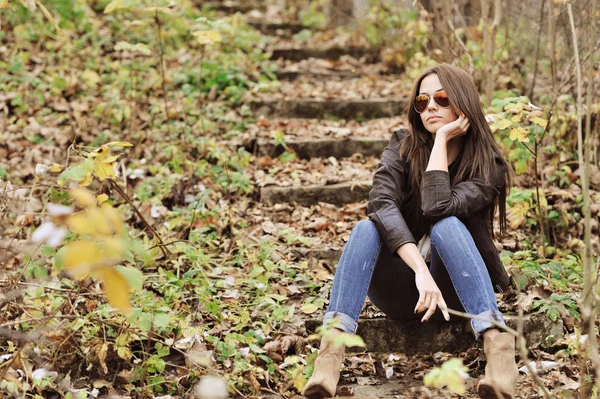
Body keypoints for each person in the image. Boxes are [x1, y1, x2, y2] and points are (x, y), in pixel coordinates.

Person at [302, 63, 519, 399]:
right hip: (405, 292)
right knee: (365, 228)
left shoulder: (488, 165)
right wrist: (419, 269)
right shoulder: (402, 146)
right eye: (422, 101)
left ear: (464, 104)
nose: (430, 106)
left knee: (447, 225)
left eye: (442, 98)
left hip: (455, 294)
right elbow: (380, 204)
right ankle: (330, 353)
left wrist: (442, 140)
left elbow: (437, 206)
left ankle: (497, 347)